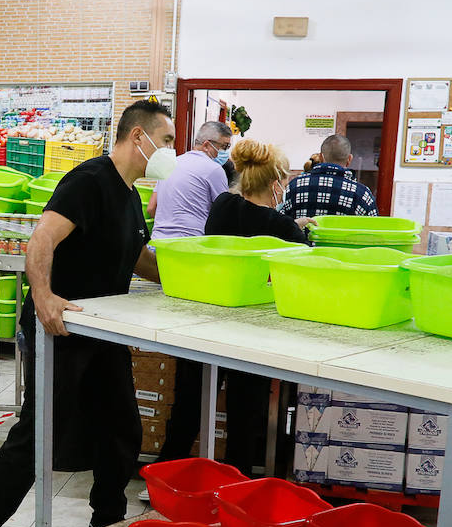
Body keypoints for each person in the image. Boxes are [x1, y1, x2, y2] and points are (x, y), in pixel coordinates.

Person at [0, 101, 169, 527]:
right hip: (60, 327)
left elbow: (136, 257)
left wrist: (187, 280)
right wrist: (43, 296)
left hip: (103, 329)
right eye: (166, 140)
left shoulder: (131, 196)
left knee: (121, 426)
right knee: (42, 429)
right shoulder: (89, 181)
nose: (170, 150)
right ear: (139, 136)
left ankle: (107, 517)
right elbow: (42, 237)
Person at [202, 139, 310, 473]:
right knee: (246, 417)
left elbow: (245, 223)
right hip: (255, 332)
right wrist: (299, 230)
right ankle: (241, 484)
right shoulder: (282, 227)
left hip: (211, 319)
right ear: (276, 184)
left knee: (196, 404)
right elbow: (302, 267)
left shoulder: (222, 205)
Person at [142, 121, 234, 468]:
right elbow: (222, 215)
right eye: (224, 145)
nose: (225, 152)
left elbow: (151, 209)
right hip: (190, 259)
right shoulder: (213, 170)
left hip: (157, 255)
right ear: (209, 144)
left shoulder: (172, 164)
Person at [277, 134, 378, 219]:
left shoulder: (295, 185)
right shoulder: (362, 194)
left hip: (301, 243)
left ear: (321, 157)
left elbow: (281, 222)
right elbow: (374, 229)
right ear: (349, 159)